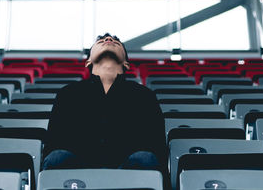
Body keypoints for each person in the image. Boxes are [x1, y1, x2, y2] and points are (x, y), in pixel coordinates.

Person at [42, 33, 168, 181]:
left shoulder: (144, 95)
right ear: (88, 61)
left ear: (126, 63)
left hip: (130, 176)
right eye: (101, 41)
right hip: (78, 177)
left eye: (116, 42)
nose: (108, 40)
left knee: (145, 159)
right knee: (58, 158)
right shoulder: (68, 93)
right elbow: (54, 146)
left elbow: (156, 150)